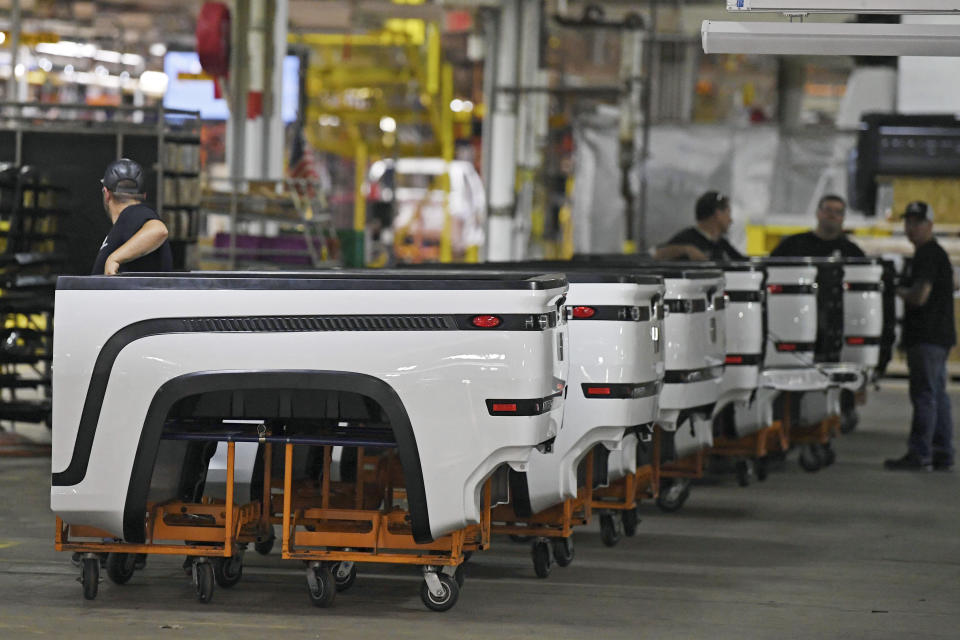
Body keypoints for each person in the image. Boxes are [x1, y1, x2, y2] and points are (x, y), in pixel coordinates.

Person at [885, 201, 955, 472]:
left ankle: (920, 454)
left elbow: (920, 296)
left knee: (925, 396)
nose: (911, 228)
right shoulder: (936, 254)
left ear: (930, 225)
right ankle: (942, 453)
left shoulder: (927, 255)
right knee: (937, 394)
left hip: (926, 336)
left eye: (917, 222)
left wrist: (895, 289)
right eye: (908, 222)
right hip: (939, 336)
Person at [93, 158, 172, 275]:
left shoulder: (133, 212)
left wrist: (114, 258)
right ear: (144, 195)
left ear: (106, 193)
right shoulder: (127, 223)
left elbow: (158, 230)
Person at [654, 191, 746, 262]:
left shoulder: (722, 243)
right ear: (718, 214)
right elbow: (656, 255)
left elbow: (742, 263)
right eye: (728, 213)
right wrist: (685, 250)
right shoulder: (687, 237)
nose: (731, 220)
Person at [770, 194, 865, 258]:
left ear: (843, 217)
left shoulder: (852, 252)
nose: (832, 215)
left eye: (838, 212)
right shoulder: (793, 244)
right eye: (828, 210)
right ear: (817, 213)